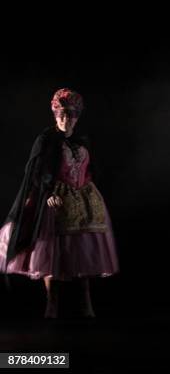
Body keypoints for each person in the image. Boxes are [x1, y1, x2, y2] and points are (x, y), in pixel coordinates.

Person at [0, 88, 119, 318]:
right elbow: (35, 172)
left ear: (77, 116)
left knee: (84, 251)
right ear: (55, 114)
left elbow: (90, 170)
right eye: (61, 113)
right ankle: (51, 306)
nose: (66, 118)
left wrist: (89, 189)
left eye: (71, 114)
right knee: (50, 253)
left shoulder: (82, 141)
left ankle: (86, 305)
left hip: (84, 198)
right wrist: (47, 193)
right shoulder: (46, 140)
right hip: (55, 199)